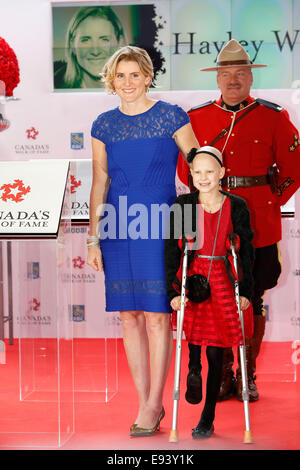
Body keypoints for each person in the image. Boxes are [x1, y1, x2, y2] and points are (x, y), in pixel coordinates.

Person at [176, 39, 300, 402]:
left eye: (240, 73)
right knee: (216, 298)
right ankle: (221, 374)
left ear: (250, 77)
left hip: (258, 222)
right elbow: (186, 172)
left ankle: (246, 372)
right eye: (226, 73)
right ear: (217, 77)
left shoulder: (273, 117)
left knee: (253, 296)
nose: (233, 80)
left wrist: (269, 200)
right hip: (213, 220)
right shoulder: (196, 119)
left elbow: (293, 170)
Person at [87, 46, 199, 436]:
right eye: (121, 76)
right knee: (129, 316)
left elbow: (197, 169)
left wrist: (193, 227)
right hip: (118, 225)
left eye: (135, 74)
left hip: (160, 225)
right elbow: (100, 181)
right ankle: (143, 401)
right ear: (111, 80)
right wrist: (92, 238)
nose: (128, 82)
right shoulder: (103, 125)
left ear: (148, 76)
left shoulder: (172, 116)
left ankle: (154, 404)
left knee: (156, 315)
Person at [165, 146, 254, 438]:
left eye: (209, 172)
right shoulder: (184, 205)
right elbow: (171, 251)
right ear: (191, 175)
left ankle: (207, 417)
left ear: (221, 174)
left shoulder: (236, 205)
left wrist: (246, 292)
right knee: (193, 335)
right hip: (193, 278)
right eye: (197, 172)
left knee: (217, 349)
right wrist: (173, 291)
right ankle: (193, 366)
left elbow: (248, 252)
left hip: (223, 280)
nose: (203, 178)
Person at [54, 6, 125, 89]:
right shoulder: (55, 86)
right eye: (85, 40)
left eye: (104, 39)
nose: (95, 51)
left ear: (119, 43)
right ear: (72, 45)